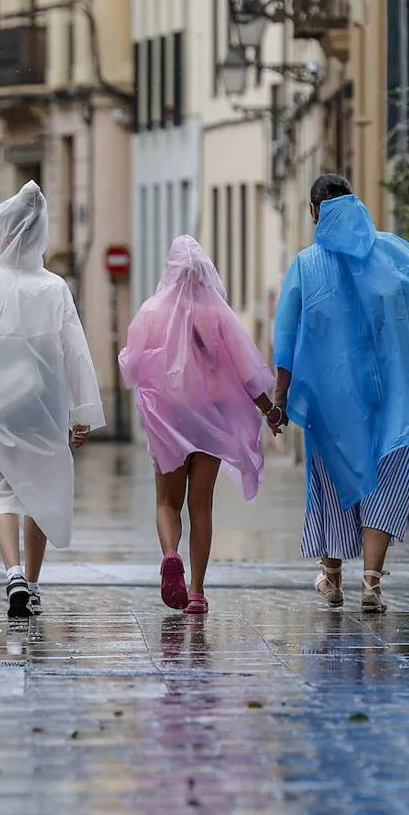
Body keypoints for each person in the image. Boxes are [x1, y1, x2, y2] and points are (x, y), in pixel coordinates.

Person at [271, 174, 409, 613]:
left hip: (331, 404)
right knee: (385, 486)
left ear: (314, 213)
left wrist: (279, 399)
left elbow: (287, 342)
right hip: (391, 398)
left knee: (331, 487)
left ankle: (331, 578)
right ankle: (370, 584)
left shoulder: (306, 266)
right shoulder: (391, 254)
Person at [0, 182, 104, 618]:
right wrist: (83, 410)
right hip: (44, 402)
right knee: (42, 487)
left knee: (2, 486)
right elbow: (76, 350)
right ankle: (32, 584)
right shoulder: (54, 288)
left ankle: (12, 571)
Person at [119, 235, 281, 615]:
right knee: (201, 506)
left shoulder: (152, 311)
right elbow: (247, 372)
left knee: (166, 502)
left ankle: (170, 553)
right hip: (211, 418)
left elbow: (129, 365)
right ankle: (196, 591)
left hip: (168, 420)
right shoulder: (219, 314)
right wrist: (269, 411)